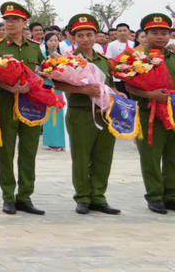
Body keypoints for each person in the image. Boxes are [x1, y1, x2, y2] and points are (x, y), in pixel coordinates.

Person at [52, 14, 120, 215]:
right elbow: (57, 83)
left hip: (105, 114)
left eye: (89, 34)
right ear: (73, 38)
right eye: (80, 35)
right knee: (81, 157)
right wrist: (83, 90)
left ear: (96, 36)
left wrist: (118, 94)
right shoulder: (68, 61)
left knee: (103, 156)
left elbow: (111, 85)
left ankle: (98, 196)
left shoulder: (104, 61)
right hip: (80, 113)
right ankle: (82, 197)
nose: (85, 39)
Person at [0, 1, 47, 215]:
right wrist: (10, 87)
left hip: (31, 102)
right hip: (6, 102)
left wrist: (36, 82)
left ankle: (25, 196)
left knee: (29, 150)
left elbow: (42, 69)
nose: (10, 23)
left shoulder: (35, 47)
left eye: (15, 20)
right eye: (7, 20)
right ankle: (8, 196)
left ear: (24, 23)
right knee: (6, 151)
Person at [129, 13, 175, 214]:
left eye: (164, 33)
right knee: (151, 157)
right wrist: (150, 94)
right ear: (145, 35)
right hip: (149, 113)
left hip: (173, 114)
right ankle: (155, 196)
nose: (160, 37)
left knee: (173, 156)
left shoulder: (172, 57)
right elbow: (129, 86)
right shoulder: (137, 59)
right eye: (154, 33)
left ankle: (171, 195)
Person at [41, 29, 68, 150]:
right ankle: (52, 141)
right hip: (48, 87)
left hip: (60, 87)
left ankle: (61, 141)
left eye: (56, 40)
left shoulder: (62, 57)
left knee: (60, 113)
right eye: (51, 41)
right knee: (50, 114)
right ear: (46, 42)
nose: (53, 43)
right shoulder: (43, 55)